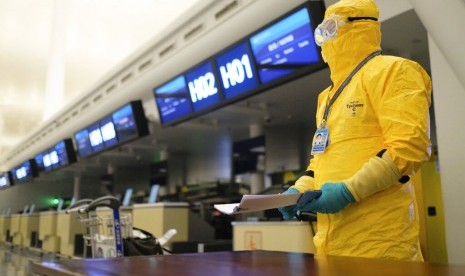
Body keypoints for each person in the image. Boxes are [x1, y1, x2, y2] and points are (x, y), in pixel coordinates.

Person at [279, 0, 432, 261]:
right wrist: (299, 190)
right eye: (321, 31)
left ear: (358, 26)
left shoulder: (395, 72)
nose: (324, 39)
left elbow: (408, 148)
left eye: (330, 28)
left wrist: (347, 192)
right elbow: (321, 160)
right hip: (330, 242)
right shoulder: (326, 98)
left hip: (381, 243)